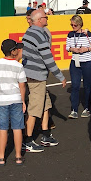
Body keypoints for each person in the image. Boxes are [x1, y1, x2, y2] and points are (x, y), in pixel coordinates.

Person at [21, 9, 67, 152]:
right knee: (34, 109)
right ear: (40, 19)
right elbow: (48, 59)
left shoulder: (29, 32)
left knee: (45, 105)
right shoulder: (41, 35)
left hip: (31, 74)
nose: (47, 19)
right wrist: (60, 76)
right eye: (46, 17)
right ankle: (28, 141)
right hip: (37, 77)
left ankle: (46, 134)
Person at [0, 39, 27, 166]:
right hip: (16, 99)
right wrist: (23, 101)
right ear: (13, 51)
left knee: (3, 129)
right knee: (17, 128)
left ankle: (1, 157)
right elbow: (22, 85)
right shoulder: (19, 66)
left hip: (1, 100)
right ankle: (18, 156)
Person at [66, 15, 91, 118]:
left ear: (80, 24)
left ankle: (87, 108)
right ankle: (74, 110)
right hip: (75, 62)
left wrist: (86, 49)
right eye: (71, 24)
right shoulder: (70, 34)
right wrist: (72, 49)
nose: (73, 26)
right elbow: (67, 47)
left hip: (88, 62)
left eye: (75, 25)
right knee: (75, 86)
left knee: (87, 86)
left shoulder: (87, 33)